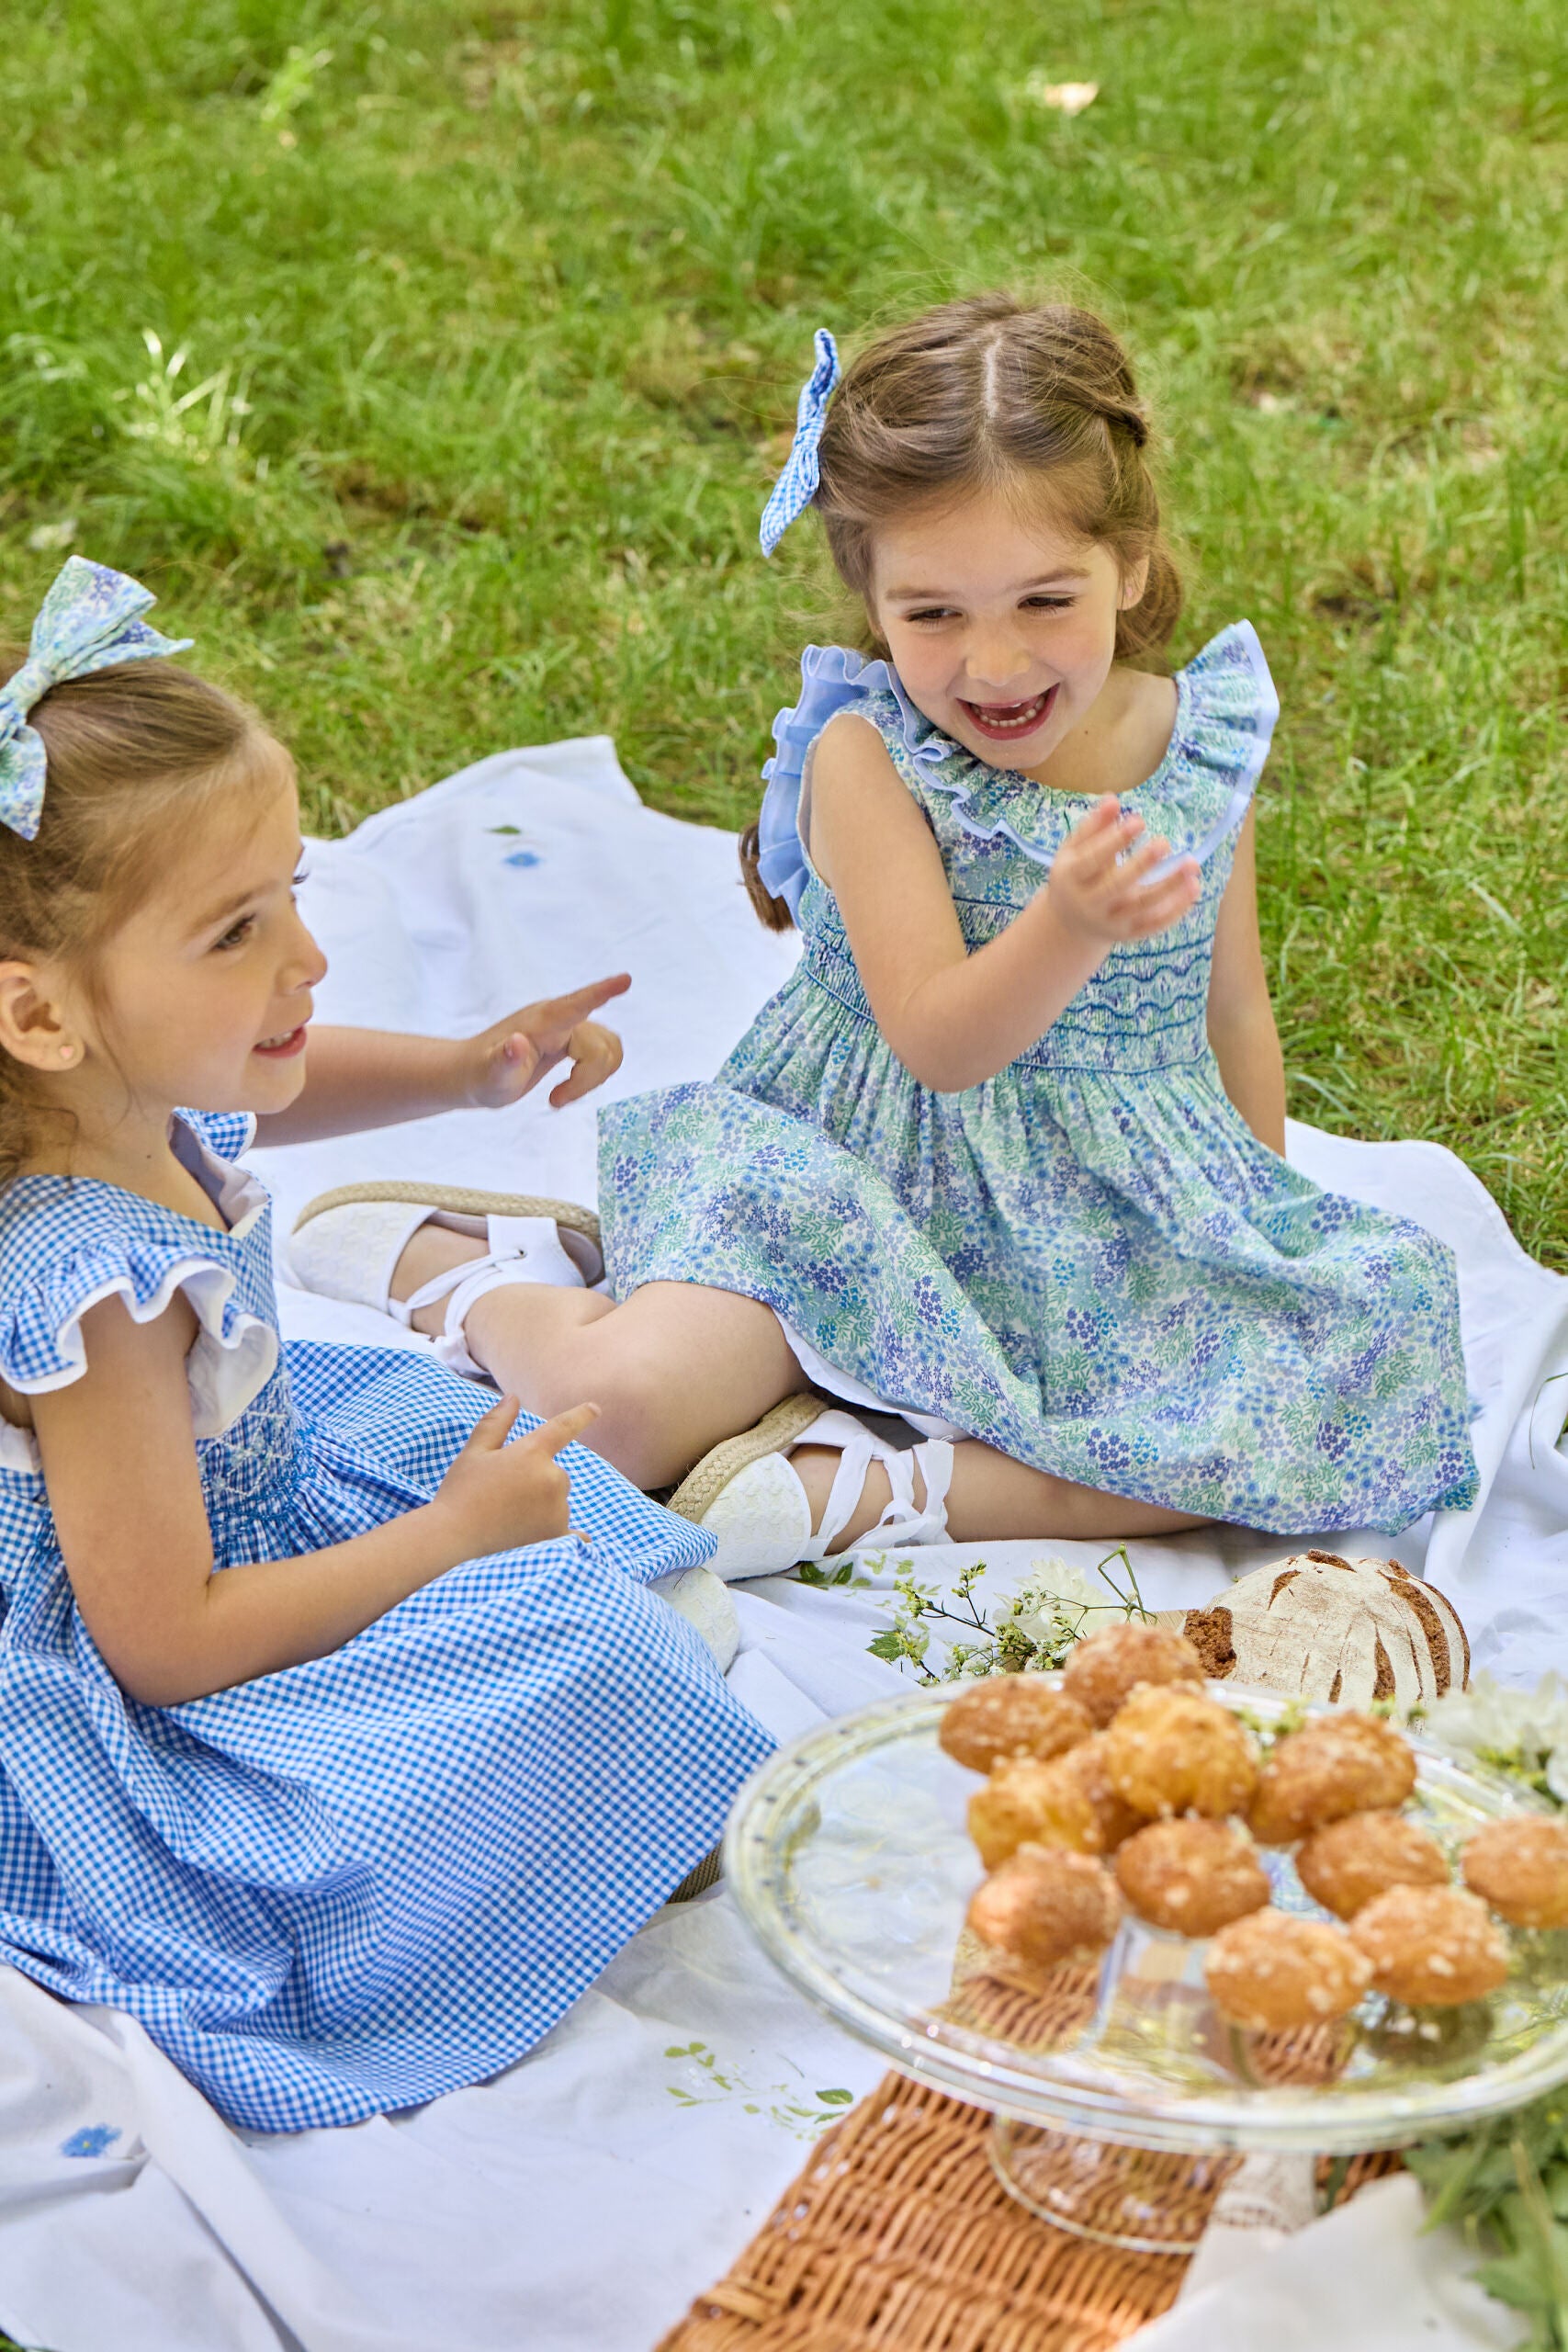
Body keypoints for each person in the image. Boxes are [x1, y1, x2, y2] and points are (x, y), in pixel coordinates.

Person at [296, 294, 1476, 1572]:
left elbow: (1232, 1008)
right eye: (933, 615)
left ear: (1128, 566)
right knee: (616, 1417)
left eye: (1043, 600)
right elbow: (936, 1042)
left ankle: (865, 1487)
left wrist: (1254, 1237)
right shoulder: (873, 762)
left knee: (1344, 1394)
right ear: (870, 592)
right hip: (861, 1177)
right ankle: (472, 1274)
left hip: (1101, 1203)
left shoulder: (1195, 738)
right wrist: (1069, 923)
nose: (994, 664)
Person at [0, 556, 771, 2133]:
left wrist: (472, 1071)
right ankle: (542, 1830)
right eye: (236, 931)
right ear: (40, 1018)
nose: (304, 961)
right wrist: (443, 1549)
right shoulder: (90, 1293)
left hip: (249, 1495)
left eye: (292, 895)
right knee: (582, 1653)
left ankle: (587, 1749)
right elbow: (166, 1646)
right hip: (158, 1660)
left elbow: (286, 1076)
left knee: (562, 1528)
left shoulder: (122, 1092)